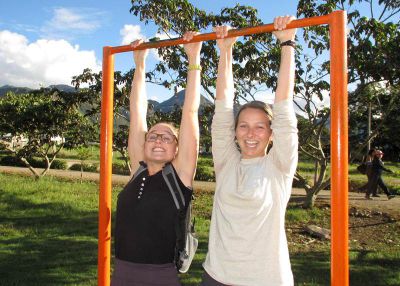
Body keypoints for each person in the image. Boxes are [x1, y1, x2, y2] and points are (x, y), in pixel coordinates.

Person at [201, 16, 298, 286]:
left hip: (266, 280)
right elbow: (222, 110)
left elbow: (284, 109)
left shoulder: (278, 166)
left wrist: (288, 43)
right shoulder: (227, 162)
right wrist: (226, 50)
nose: (251, 134)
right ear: (235, 132)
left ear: (271, 133)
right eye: (243, 126)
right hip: (216, 276)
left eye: (259, 127)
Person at [111, 32, 202, 286]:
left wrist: (193, 58)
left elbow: (190, 111)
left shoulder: (179, 175)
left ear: (177, 149)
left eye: (167, 137)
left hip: (159, 276)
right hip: (121, 273)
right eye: (153, 135)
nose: (158, 139)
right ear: (144, 143)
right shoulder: (138, 170)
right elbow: (137, 111)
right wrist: (139, 63)